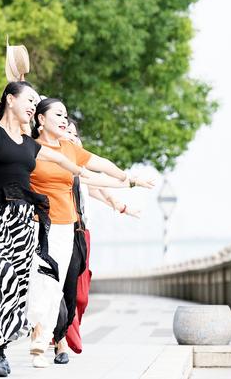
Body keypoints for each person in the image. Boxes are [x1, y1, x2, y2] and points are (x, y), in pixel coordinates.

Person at [0, 33, 94, 378]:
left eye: (37, 103)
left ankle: (2, 347)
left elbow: (68, 163)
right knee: (0, 277)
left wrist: (116, 181)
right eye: (29, 100)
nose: (34, 106)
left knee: (20, 284)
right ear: (10, 100)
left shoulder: (29, 144)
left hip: (25, 219)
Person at [26, 98, 154, 367]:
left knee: (60, 287)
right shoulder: (28, 147)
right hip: (38, 225)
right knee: (42, 281)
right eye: (58, 114)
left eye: (66, 115)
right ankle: (39, 335)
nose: (64, 119)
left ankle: (47, 335)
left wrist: (128, 180)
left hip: (68, 227)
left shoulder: (70, 150)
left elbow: (99, 168)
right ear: (41, 119)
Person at [52, 120, 140, 357]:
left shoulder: (80, 169)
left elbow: (99, 187)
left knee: (81, 296)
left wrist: (121, 205)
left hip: (83, 235)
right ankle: (60, 339)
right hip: (61, 231)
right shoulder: (56, 165)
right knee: (61, 288)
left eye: (75, 134)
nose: (72, 137)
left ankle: (60, 328)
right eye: (66, 132)